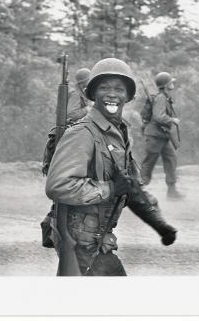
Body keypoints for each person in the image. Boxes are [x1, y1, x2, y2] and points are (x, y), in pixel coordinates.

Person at [45, 58, 177, 276]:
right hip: (80, 242)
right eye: (104, 87)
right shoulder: (83, 133)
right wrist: (110, 189)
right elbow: (58, 186)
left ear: (128, 96)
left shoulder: (119, 132)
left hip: (100, 240)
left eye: (119, 88)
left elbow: (130, 187)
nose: (112, 94)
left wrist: (158, 224)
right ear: (93, 94)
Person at [140, 72, 183, 200]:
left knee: (171, 160)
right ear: (166, 85)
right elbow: (158, 116)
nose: (173, 84)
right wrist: (172, 120)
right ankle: (135, 191)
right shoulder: (161, 98)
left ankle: (172, 191)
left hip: (161, 136)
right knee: (149, 164)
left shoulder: (164, 97)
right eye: (171, 82)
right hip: (154, 136)